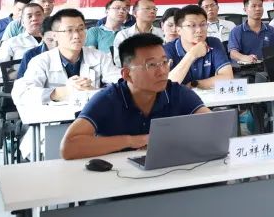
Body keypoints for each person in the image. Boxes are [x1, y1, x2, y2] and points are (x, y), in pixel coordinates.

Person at [60, 33, 209, 160]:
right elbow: (68, 147)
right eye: (151, 65)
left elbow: (214, 126)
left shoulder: (177, 93)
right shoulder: (108, 98)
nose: (162, 71)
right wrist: (134, 141)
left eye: (164, 62)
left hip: (168, 171)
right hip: (116, 177)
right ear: (127, 74)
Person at [11, 9, 120, 107]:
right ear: (55, 35)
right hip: (53, 120)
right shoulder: (40, 61)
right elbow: (21, 94)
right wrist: (62, 92)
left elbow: (121, 85)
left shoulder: (99, 57)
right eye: (69, 30)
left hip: (93, 117)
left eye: (81, 29)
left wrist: (93, 91)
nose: (77, 35)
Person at [163, 4, 233, 89]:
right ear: (179, 30)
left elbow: (227, 77)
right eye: (192, 25)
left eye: (203, 24)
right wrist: (192, 55)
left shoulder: (214, 43)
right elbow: (166, 85)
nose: (199, 30)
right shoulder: (166, 50)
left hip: (209, 96)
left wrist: (195, 84)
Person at [0, 3, 46, 78]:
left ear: (45, 19)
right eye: (29, 16)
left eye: (38, 15)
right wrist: (17, 72)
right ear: (22, 22)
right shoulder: (12, 43)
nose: (34, 18)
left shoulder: (55, 41)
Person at [228, 0, 274, 65]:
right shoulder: (236, 31)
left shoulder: (271, 30)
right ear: (245, 10)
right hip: (246, 68)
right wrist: (245, 58)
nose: (258, 9)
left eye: (260, 6)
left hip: (267, 67)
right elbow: (233, 53)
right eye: (254, 6)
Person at [112, 0, 163, 65]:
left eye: (154, 9)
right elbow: (119, 60)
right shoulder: (123, 35)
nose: (152, 11)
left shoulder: (162, 33)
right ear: (135, 13)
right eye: (147, 8)